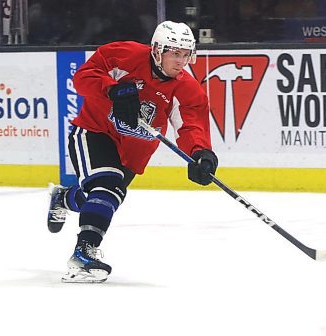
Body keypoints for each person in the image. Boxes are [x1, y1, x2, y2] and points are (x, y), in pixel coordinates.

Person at [47, 21, 218, 283]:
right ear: (157, 50)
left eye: (185, 54)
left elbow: (191, 126)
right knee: (107, 187)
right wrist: (112, 88)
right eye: (175, 53)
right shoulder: (123, 55)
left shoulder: (187, 89)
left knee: (101, 196)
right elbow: (83, 78)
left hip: (133, 152)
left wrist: (201, 154)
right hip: (96, 132)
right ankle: (83, 254)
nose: (181, 61)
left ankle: (65, 198)